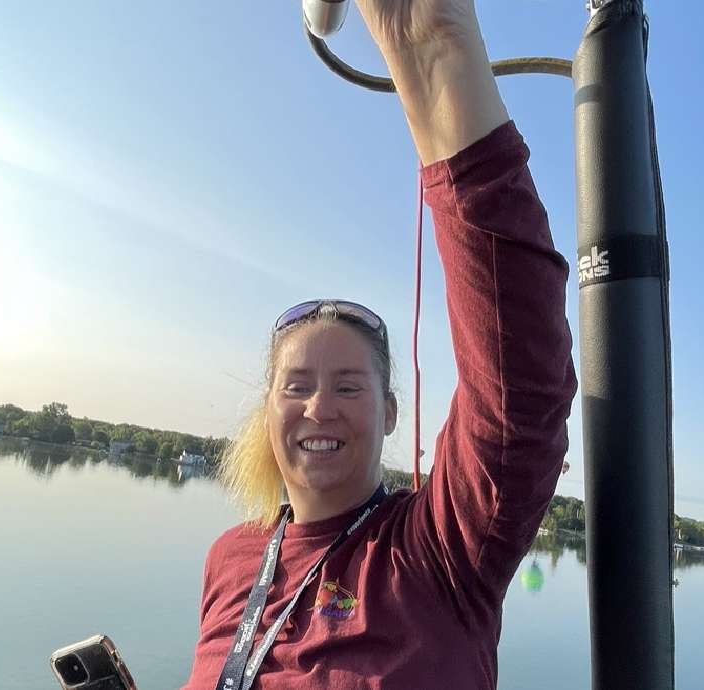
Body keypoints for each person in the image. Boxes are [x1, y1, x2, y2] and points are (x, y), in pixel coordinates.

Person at [181, 1, 577, 687]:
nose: (318, 408)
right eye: (297, 386)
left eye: (348, 386)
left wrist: (437, 47)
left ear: (390, 412)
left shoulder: (440, 553)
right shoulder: (230, 559)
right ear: (267, 408)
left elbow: (521, 390)